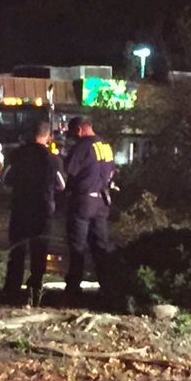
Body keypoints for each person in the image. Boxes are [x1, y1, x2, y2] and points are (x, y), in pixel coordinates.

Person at [3, 120, 65, 305]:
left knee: (17, 250)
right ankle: (35, 289)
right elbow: (61, 185)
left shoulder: (17, 154)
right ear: (47, 136)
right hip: (42, 209)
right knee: (39, 250)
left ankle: (11, 290)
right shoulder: (53, 159)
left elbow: (6, 179)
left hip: (20, 206)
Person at [63, 117, 117, 302]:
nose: (73, 138)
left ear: (79, 130)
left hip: (82, 202)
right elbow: (110, 172)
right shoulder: (105, 146)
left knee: (77, 245)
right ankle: (108, 287)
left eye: (72, 134)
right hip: (101, 202)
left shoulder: (82, 146)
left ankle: (73, 289)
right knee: (100, 246)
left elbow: (68, 173)